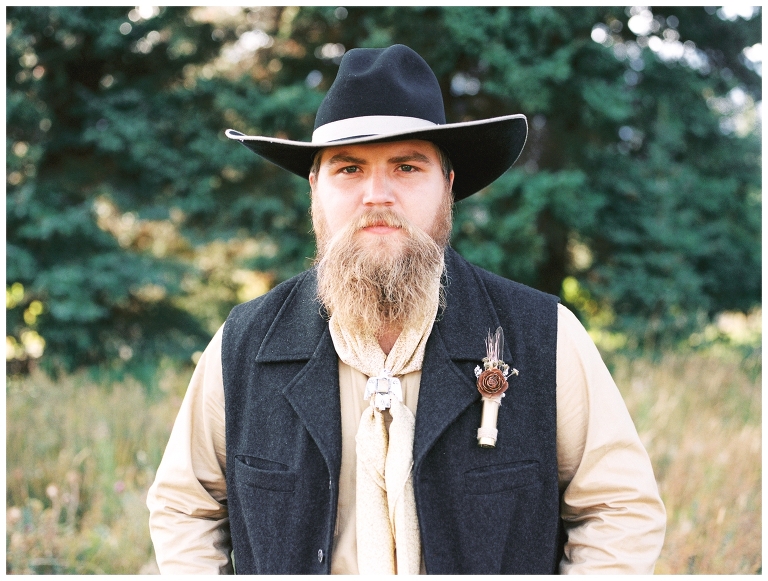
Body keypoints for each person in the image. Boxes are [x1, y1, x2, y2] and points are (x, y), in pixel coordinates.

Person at [147, 44, 665, 575]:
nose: (377, 195)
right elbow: (186, 509)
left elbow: (618, 509)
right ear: (315, 188)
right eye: (349, 168)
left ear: (448, 185)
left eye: (407, 166)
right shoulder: (244, 343)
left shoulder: (543, 336)